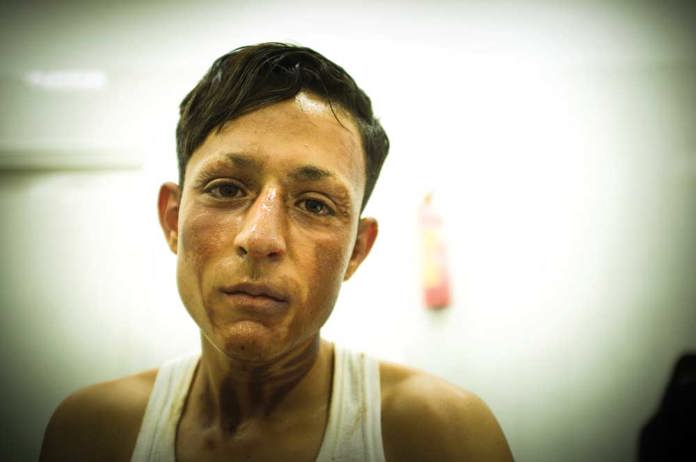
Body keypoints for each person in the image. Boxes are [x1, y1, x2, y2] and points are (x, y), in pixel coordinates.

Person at [39, 42, 514, 462]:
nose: (261, 238)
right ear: (172, 220)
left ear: (356, 252)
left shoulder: (439, 434)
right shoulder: (92, 433)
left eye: (314, 204)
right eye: (226, 189)